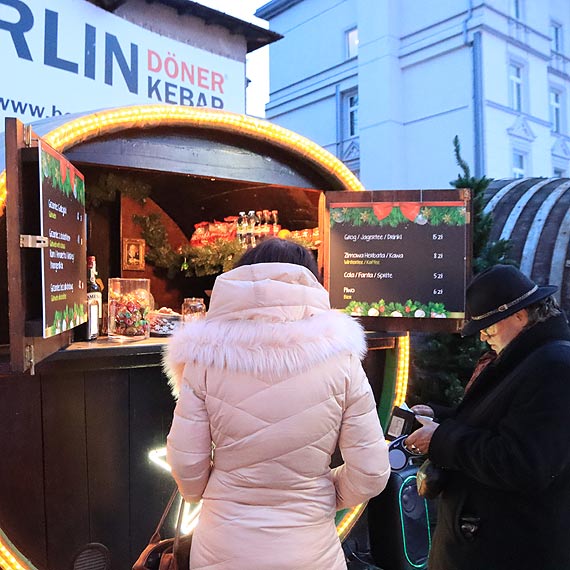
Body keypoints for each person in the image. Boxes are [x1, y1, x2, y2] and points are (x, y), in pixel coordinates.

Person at [164, 238, 390, 570]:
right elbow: (371, 472)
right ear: (311, 281)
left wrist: (218, 492)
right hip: (311, 550)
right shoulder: (341, 358)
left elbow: (188, 471)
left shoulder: (205, 357)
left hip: (223, 547)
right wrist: (322, 494)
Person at [405, 264, 570, 570]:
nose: (483, 336)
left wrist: (440, 439)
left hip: (508, 550)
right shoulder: (526, 360)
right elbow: (491, 420)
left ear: (520, 315)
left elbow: (524, 462)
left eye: (490, 325)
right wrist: (437, 416)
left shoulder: (554, 367)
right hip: (485, 544)